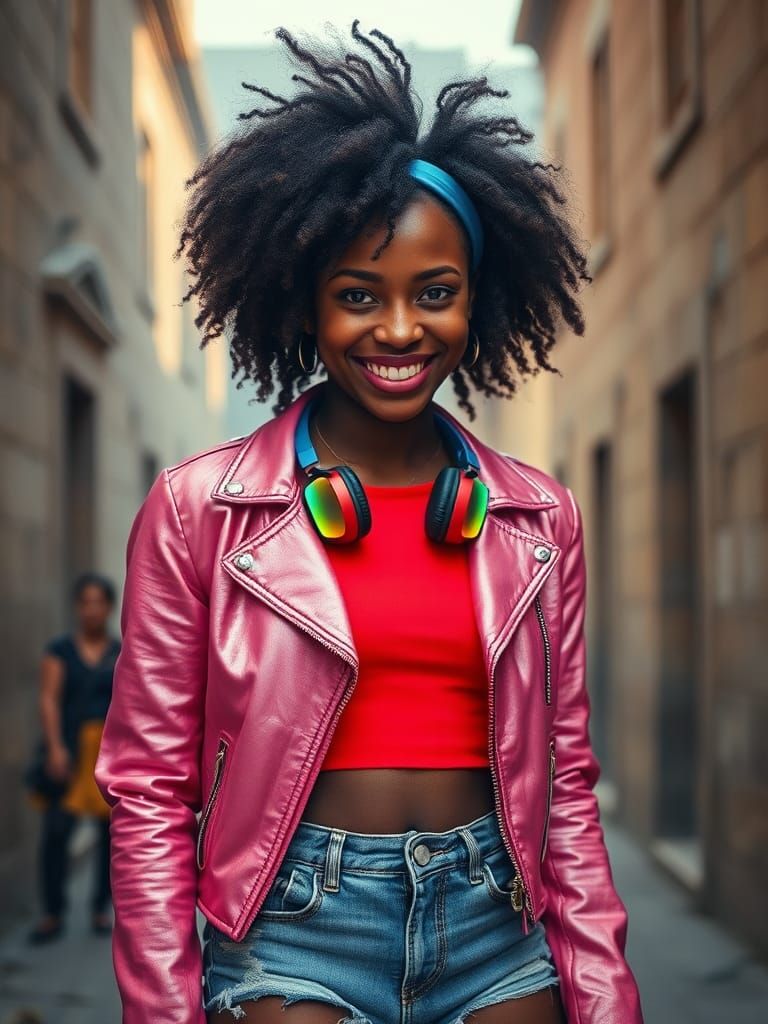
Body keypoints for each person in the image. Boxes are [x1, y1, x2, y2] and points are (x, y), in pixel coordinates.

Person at [94, 21, 644, 1024]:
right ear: (306, 304)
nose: (399, 330)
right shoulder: (196, 511)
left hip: (499, 926)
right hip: (293, 921)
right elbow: (148, 792)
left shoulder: (539, 517)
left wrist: (606, 997)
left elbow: (564, 781)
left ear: (478, 301)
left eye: (435, 293)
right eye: (359, 296)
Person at [27, 572, 120, 944]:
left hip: (105, 753)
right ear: (77, 607)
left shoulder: (120, 651)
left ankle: (100, 907)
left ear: (109, 607)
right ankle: (52, 912)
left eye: (99, 602)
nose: (92, 609)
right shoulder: (60, 650)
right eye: (85, 602)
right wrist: (54, 747)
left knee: (109, 836)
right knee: (56, 833)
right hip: (68, 749)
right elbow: (48, 699)